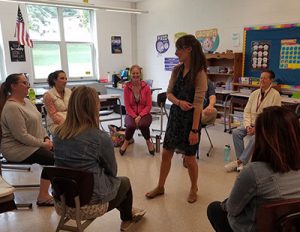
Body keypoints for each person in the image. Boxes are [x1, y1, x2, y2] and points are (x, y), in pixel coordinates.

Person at [53, 86, 146, 231]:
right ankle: (127, 218)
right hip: (88, 205)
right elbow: (112, 171)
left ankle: (129, 210)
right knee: (124, 182)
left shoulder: (57, 133)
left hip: (62, 202)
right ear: (94, 107)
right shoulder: (100, 137)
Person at [207, 106, 300, 232]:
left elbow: (232, 209)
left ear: (263, 137)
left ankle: (239, 161)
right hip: (289, 227)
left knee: (214, 209)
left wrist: (226, 204)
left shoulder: (254, 172)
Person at [146, 34, 207, 203]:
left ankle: (194, 187)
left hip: (191, 121)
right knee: (166, 153)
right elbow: (169, 93)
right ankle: (160, 186)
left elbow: (198, 105)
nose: (176, 52)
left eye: (179, 49)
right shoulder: (177, 70)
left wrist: (194, 130)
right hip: (175, 117)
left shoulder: (199, 74)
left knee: (189, 157)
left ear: (189, 50)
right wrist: (179, 102)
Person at [0, 73, 54, 206]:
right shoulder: (12, 107)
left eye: (27, 82)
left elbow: (39, 123)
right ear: (13, 86)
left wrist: (46, 138)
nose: (28, 85)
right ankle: (43, 197)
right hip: (15, 149)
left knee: (61, 153)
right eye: (24, 83)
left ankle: (59, 188)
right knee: (51, 159)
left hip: (31, 144)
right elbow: (21, 135)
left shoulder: (28, 102)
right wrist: (43, 144)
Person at [224, 70, 281, 172]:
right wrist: (247, 126)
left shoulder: (275, 95)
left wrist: (257, 128)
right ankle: (241, 161)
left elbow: (273, 117)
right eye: (261, 78)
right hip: (251, 124)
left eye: (265, 78)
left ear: (271, 80)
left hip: (265, 127)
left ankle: (240, 162)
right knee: (236, 132)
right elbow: (247, 112)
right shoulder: (254, 94)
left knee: (255, 138)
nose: (262, 80)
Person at [119, 65, 154, 156]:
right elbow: (127, 106)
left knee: (143, 124)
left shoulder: (146, 87)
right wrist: (135, 116)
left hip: (144, 113)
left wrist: (140, 116)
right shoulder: (127, 88)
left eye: (137, 73)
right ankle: (126, 142)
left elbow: (149, 105)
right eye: (133, 73)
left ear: (140, 74)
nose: (135, 75)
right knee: (130, 125)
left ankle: (148, 141)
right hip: (131, 113)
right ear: (130, 74)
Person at [43, 70, 72, 134]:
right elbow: (53, 115)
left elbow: (74, 108)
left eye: (66, 78)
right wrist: (68, 124)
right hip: (55, 123)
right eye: (62, 78)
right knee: (69, 133)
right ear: (55, 80)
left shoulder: (69, 91)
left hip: (70, 120)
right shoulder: (48, 95)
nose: (65, 81)